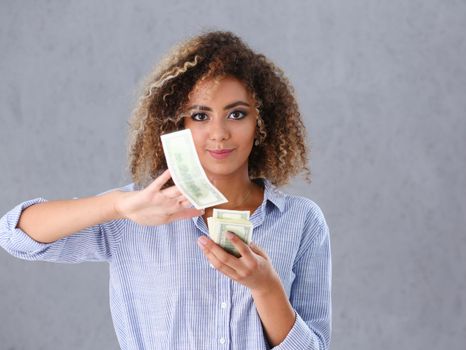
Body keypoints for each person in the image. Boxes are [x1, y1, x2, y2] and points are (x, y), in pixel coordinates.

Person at [0, 31, 331, 349]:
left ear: (262, 122)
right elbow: (14, 235)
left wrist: (266, 287)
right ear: (178, 124)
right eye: (200, 115)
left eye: (236, 114)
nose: (219, 133)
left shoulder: (301, 220)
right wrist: (118, 206)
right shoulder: (137, 210)